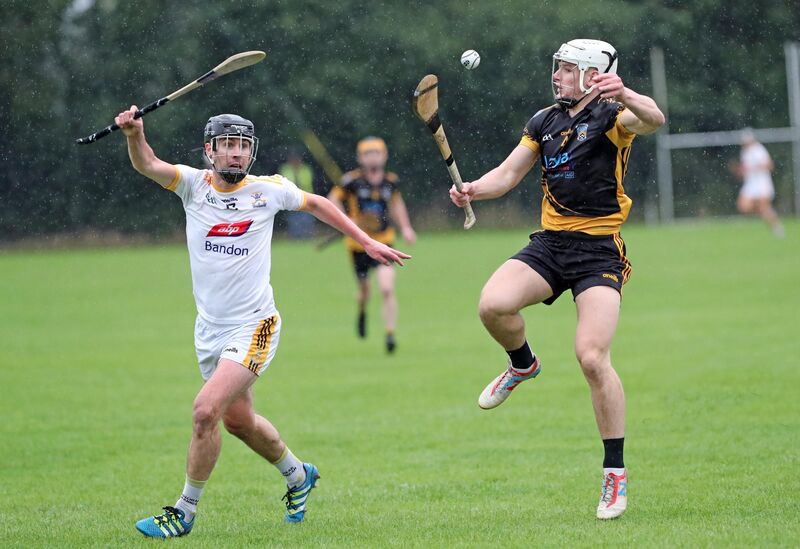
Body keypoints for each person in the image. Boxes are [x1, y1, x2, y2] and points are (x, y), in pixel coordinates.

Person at [113, 108, 409, 538]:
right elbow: (147, 164)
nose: (235, 154)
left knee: (204, 412)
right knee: (238, 422)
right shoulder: (192, 185)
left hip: (255, 325)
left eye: (243, 146)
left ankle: (184, 512)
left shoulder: (268, 190)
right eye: (227, 145)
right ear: (209, 150)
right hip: (209, 331)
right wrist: (134, 135)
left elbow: (320, 203)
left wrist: (364, 240)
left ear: (251, 152)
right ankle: (298, 475)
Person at [449, 39, 665, 520]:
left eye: (567, 69)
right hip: (550, 244)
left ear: (592, 74)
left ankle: (614, 475)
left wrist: (626, 93)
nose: (557, 75)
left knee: (591, 357)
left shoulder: (614, 116)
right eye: (558, 68)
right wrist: (472, 191)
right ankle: (522, 364)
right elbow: (507, 175)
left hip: (597, 252)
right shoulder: (544, 121)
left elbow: (654, 119)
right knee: (493, 305)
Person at [328, 137, 416, 353]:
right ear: (360, 157)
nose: (372, 157)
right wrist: (347, 218)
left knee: (387, 288)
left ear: (384, 155)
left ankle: (389, 334)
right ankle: (362, 311)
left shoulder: (390, 182)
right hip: (358, 245)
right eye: (368, 153)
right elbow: (331, 200)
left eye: (376, 152)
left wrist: (405, 227)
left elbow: (396, 204)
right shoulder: (352, 181)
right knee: (365, 292)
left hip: (384, 241)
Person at [736, 128, 784, 237]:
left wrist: (754, 168)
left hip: (762, 183)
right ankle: (766, 216)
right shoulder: (744, 152)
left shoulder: (759, 150)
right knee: (743, 207)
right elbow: (745, 169)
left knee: (764, 208)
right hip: (750, 184)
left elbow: (769, 165)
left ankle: (776, 227)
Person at [279, 148, 316, 239]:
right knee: (294, 219)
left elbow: (306, 182)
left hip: (305, 196)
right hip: (291, 198)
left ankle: (307, 236)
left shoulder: (305, 169)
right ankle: (296, 237)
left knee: (306, 218)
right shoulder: (285, 168)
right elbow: (283, 182)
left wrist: (295, 183)